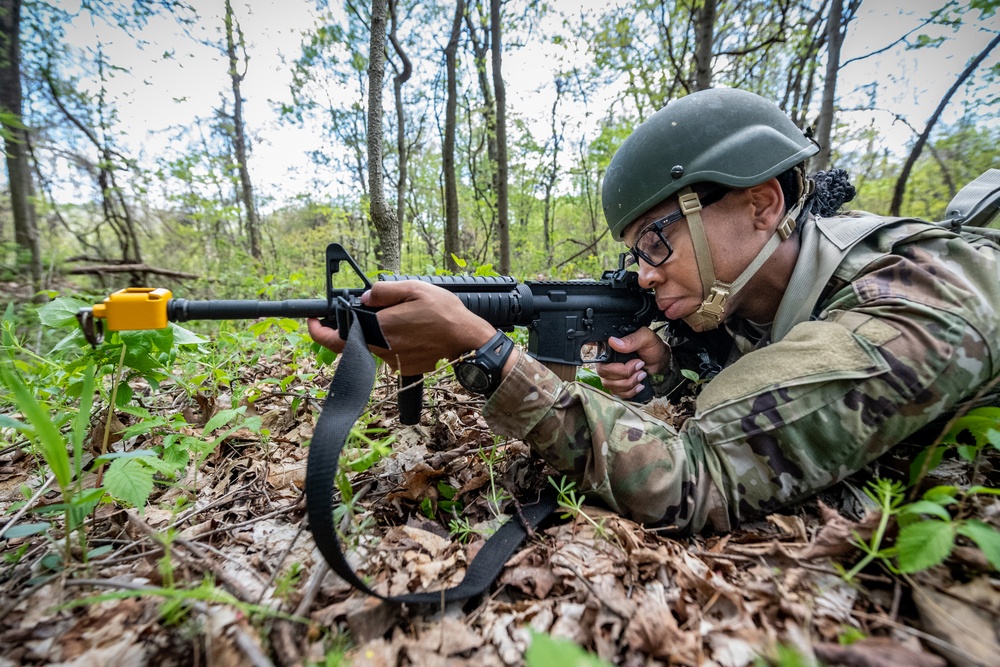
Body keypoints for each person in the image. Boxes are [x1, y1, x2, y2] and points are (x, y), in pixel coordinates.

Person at [309, 87, 1000, 533]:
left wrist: (487, 354)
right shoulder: (754, 292)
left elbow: (697, 475)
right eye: (636, 249)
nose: (642, 270)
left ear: (761, 204)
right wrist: (668, 361)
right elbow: (759, 362)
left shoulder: (914, 304)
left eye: (657, 241)